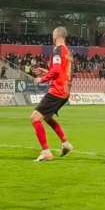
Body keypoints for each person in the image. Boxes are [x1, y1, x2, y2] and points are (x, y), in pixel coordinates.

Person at [30, 27, 75, 162]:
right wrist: (46, 71)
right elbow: (63, 71)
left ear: (55, 36)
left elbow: (56, 71)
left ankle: (46, 152)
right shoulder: (68, 52)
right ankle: (65, 143)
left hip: (57, 90)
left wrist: (41, 79)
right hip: (65, 91)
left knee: (35, 117)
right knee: (48, 117)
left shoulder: (57, 49)